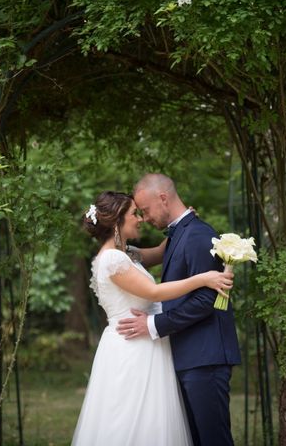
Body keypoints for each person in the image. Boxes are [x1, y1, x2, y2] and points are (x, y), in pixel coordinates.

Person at [72, 191, 233, 446]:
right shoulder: (113, 259)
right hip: (132, 347)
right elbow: (154, 292)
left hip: (145, 343)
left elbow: (160, 251)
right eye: (134, 214)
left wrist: (183, 221)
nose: (140, 219)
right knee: (131, 420)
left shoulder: (125, 253)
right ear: (117, 223)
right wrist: (204, 279)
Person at [117, 173, 241, 446]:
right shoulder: (179, 234)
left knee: (213, 440)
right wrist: (114, 243)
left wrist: (152, 325)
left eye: (146, 210)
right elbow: (150, 258)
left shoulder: (198, 235)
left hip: (205, 358)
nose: (145, 217)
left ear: (163, 198)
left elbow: (206, 300)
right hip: (191, 356)